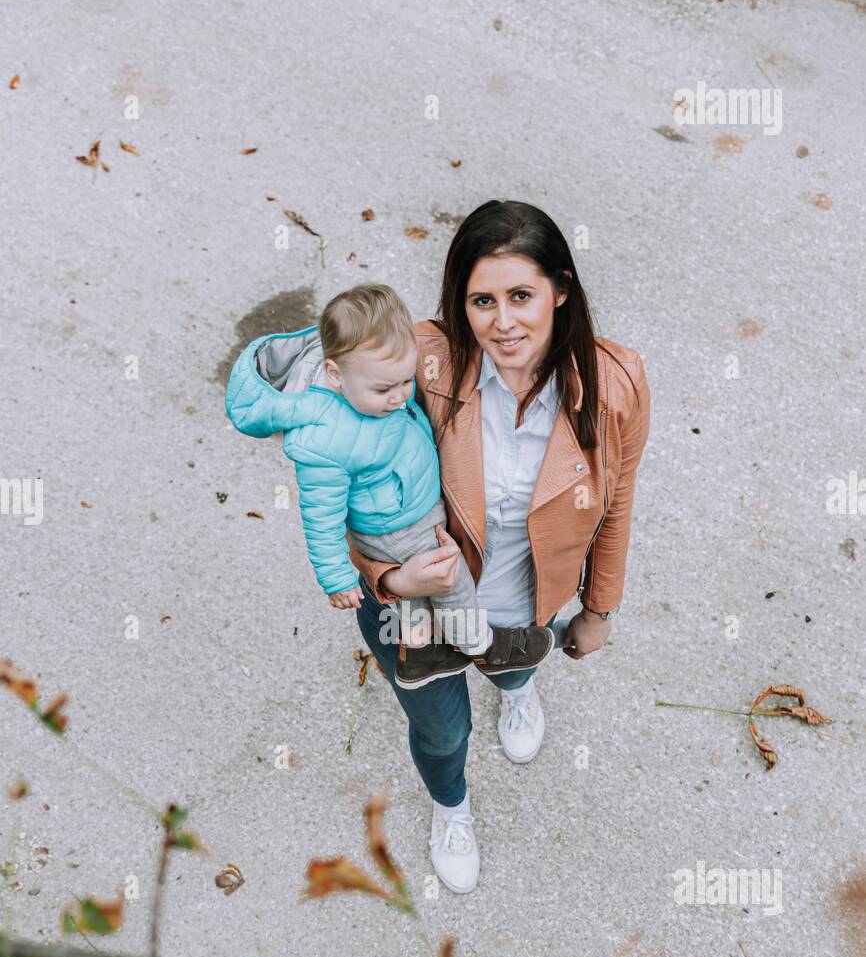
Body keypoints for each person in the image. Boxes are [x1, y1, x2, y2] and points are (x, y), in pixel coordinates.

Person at [347, 201, 651, 894]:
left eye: (521, 295)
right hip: (414, 611)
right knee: (442, 734)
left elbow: (618, 500)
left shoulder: (617, 385)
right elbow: (345, 485)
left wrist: (599, 609)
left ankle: (517, 692)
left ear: (561, 289)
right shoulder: (419, 364)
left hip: (526, 605)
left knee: (516, 668)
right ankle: (451, 809)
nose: (503, 322)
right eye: (482, 300)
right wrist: (387, 580)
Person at [225, 283, 553, 690]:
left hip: (407, 500)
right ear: (333, 373)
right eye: (384, 388)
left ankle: (419, 651)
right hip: (392, 522)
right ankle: (484, 645)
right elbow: (320, 518)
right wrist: (337, 578)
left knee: (421, 593)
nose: (400, 396)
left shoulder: (371, 379)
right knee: (449, 577)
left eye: (404, 381)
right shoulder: (322, 441)